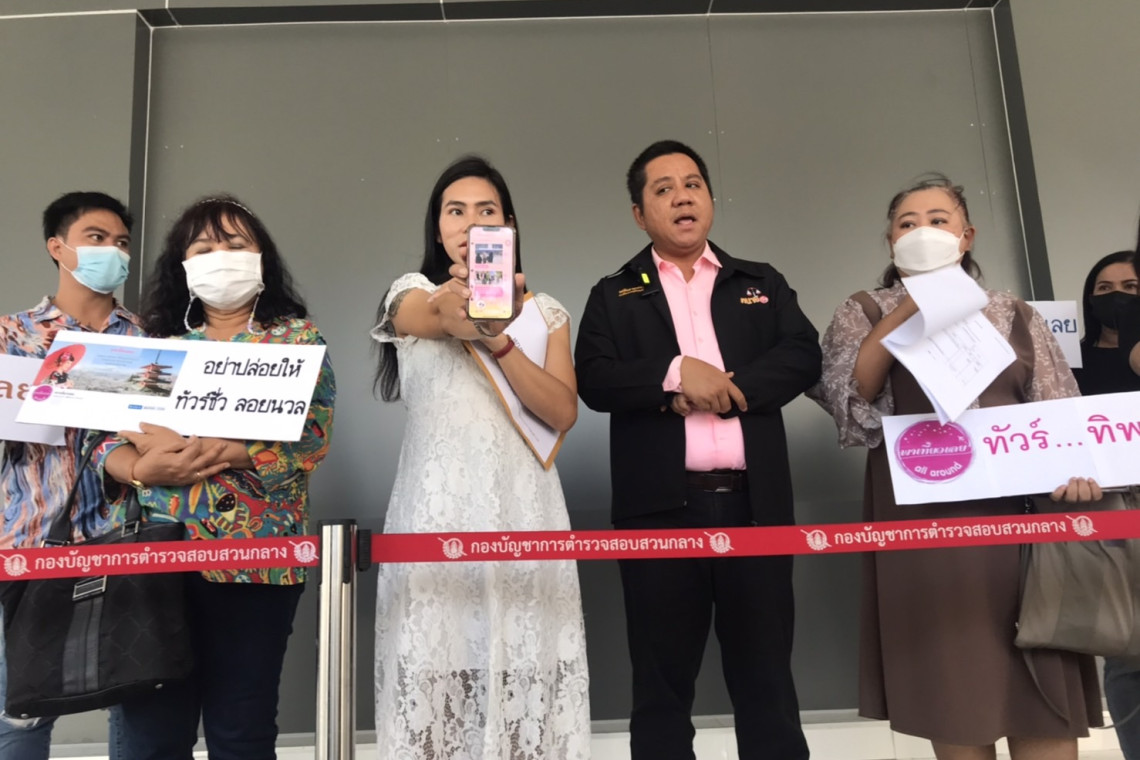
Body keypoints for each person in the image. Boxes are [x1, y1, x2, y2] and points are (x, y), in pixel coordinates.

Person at [808, 174, 1103, 760]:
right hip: (927, 526)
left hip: (1021, 526)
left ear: (966, 236)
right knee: (955, 685)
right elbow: (852, 401)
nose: (923, 231)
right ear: (891, 241)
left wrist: (1076, 473)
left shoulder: (1014, 313)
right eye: (907, 223)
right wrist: (912, 307)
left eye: (938, 220)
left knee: (1042, 684)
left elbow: (1059, 413)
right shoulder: (863, 309)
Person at [575, 140, 819, 760]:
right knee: (660, 689)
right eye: (663, 189)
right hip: (659, 513)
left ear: (709, 198)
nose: (682, 197)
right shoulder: (613, 294)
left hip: (756, 507)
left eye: (692, 184)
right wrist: (676, 376)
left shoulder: (760, 282)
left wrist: (726, 389)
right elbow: (595, 379)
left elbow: (802, 354)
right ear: (639, 214)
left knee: (768, 682)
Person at [91, 195, 336, 760]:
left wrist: (230, 451)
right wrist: (140, 466)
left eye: (235, 244)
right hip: (155, 560)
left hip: (258, 560)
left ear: (261, 258)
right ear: (182, 265)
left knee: (242, 731)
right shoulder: (152, 347)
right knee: (153, 735)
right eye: (203, 248)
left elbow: (313, 436)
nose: (220, 257)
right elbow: (100, 438)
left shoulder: (297, 340)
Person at [370, 156, 590, 759]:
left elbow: (562, 411)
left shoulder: (545, 314)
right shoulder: (410, 294)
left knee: (524, 679)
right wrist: (469, 309)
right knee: (435, 678)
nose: (470, 222)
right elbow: (438, 317)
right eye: (455, 211)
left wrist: (501, 338)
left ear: (508, 225)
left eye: (486, 210)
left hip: (523, 508)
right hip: (437, 511)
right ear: (438, 227)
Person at [0, 191, 143, 759]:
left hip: (129, 545)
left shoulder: (151, 340)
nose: (113, 251)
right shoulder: (12, 336)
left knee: (136, 703)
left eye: (122, 242)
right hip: (28, 544)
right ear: (57, 247)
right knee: (20, 716)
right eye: (96, 238)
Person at [1070, 250, 1140, 758]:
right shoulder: (1068, 361)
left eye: (1132, 288)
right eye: (1105, 289)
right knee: (1127, 649)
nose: (1117, 298)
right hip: (1111, 513)